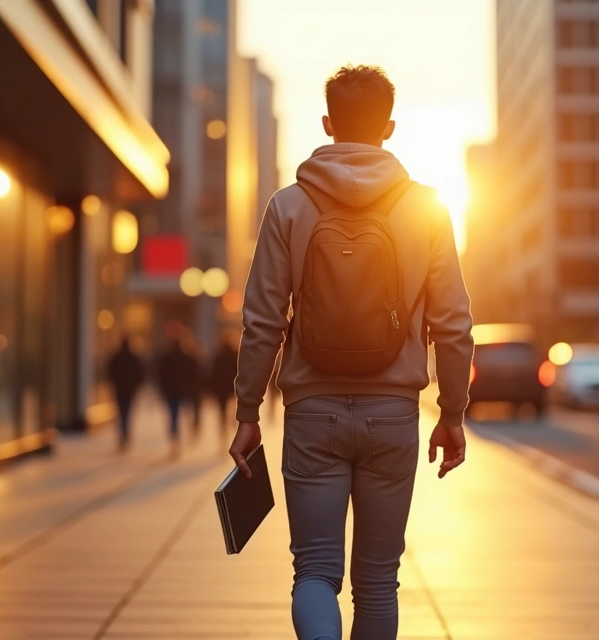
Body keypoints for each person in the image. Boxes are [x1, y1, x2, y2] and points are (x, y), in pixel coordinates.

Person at [226, 65, 474, 640]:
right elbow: (455, 324)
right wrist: (454, 414)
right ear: (389, 127)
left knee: (314, 571)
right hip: (393, 414)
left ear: (327, 124)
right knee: (379, 581)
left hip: (313, 412)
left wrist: (246, 415)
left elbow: (262, 319)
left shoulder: (287, 206)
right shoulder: (427, 208)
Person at [156, 331, 201, 446]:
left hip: (171, 391)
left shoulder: (165, 358)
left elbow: (161, 375)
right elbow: (194, 374)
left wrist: (163, 389)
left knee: (173, 414)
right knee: (187, 413)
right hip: (184, 390)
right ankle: (191, 432)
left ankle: (174, 436)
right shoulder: (187, 358)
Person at [107, 337, 145, 451]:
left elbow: (110, 372)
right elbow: (140, 373)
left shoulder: (116, 357)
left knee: (121, 413)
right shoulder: (134, 357)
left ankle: (123, 435)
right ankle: (125, 435)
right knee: (127, 413)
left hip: (119, 389)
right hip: (130, 390)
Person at [208, 330, 240, 430]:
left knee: (222, 408)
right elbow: (240, 370)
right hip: (232, 384)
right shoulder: (236, 354)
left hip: (220, 387)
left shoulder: (217, 356)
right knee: (234, 402)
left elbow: (213, 373)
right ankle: (233, 418)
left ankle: (223, 424)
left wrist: (211, 388)